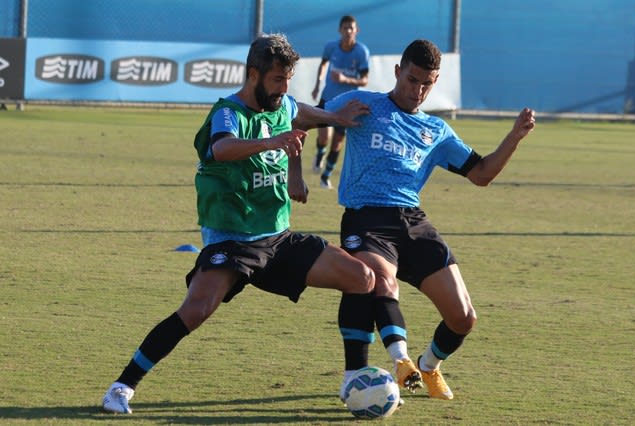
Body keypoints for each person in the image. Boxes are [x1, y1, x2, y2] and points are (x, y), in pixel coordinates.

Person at [101, 33, 375, 415]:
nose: (283, 89)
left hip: (278, 239)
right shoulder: (228, 113)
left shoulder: (281, 105)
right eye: (276, 80)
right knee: (195, 310)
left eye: (287, 80)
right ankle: (121, 387)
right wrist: (272, 143)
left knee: (362, 278)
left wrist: (334, 118)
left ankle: (353, 378)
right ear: (253, 75)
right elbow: (222, 148)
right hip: (232, 242)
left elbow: (299, 112)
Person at [328, 39, 536, 401]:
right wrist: (327, 125)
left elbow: (482, 174)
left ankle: (428, 365)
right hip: (367, 220)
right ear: (397, 71)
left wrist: (514, 137)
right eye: (412, 80)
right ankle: (401, 362)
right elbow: (301, 115)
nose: (418, 90)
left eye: (427, 83)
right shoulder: (363, 104)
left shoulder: (436, 131)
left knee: (464, 318)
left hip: (413, 222)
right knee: (380, 282)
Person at [310, 15, 370, 189]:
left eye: (351, 28)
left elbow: (364, 80)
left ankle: (325, 177)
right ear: (340, 30)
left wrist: (345, 79)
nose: (348, 31)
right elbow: (322, 65)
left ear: (356, 30)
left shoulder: (361, 52)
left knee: (337, 142)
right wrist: (317, 84)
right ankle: (320, 154)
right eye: (345, 28)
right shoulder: (331, 47)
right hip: (328, 98)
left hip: (348, 104)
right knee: (323, 137)